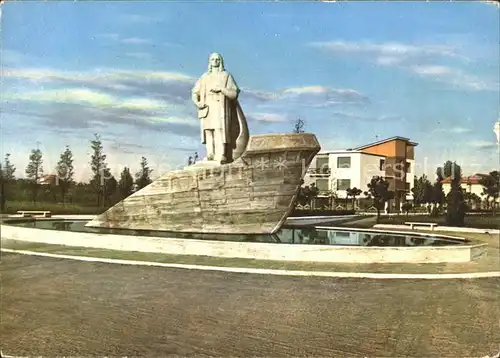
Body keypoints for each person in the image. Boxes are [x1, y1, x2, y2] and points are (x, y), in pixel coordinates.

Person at [191, 52, 248, 164]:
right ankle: (210, 155)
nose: (215, 61)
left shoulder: (226, 76)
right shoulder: (204, 77)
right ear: (209, 62)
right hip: (207, 108)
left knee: (219, 130)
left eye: (217, 59)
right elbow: (194, 92)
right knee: (208, 131)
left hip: (220, 108)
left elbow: (234, 93)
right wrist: (198, 103)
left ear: (220, 61)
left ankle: (221, 154)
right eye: (213, 59)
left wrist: (222, 89)